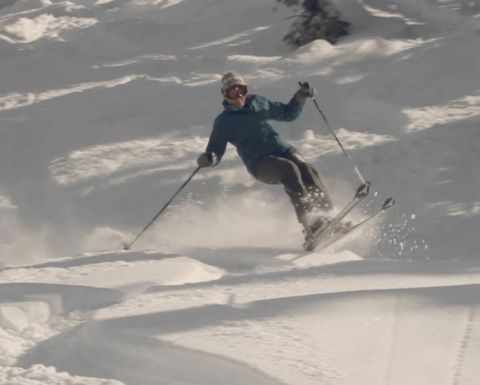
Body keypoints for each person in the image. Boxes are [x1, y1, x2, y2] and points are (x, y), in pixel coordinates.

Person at [197, 71, 332, 237]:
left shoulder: (258, 102)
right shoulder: (224, 122)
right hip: (260, 163)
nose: (238, 95)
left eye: (241, 90)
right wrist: (210, 158)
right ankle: (311, 224)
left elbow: (287, 113)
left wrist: (300, 97)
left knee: (307, 169)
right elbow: (216, 150)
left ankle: (328, 216)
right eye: (232, 92)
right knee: (289, 169)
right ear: (225, 95)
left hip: (283, 150)